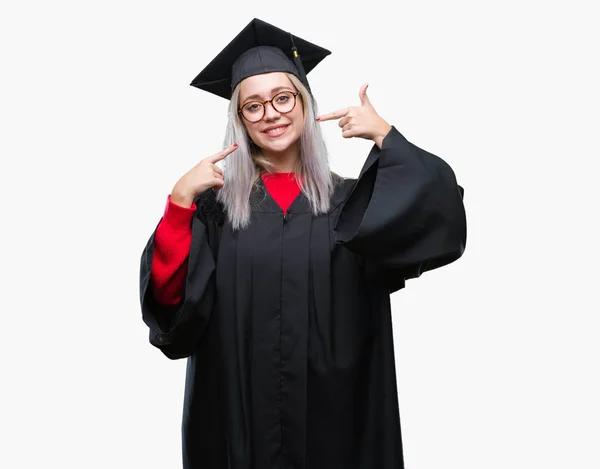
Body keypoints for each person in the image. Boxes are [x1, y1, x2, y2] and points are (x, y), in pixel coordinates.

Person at [139, 18, 467, 469]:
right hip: (238, 421)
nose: (271, 113)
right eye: (252, 106)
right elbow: (170, 304)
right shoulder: (214, 211)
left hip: (338, 420)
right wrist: (179, 202)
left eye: (282, 97)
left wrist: (386, 137)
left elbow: (439, 214)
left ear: (304, 102)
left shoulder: (352, 204)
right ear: (239, 121)